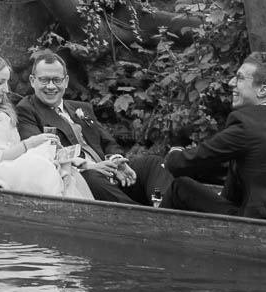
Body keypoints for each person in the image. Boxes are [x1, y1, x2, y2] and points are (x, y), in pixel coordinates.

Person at [159, 51, 266, 218]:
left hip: (264, 226)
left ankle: (153, 242)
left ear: (262, 90)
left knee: (180, 188)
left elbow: (181, 164)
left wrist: (175, 151)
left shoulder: (248, 125)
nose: (231, 82)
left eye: (240, 78)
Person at [14, 50, 169, 205]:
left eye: (56, 80)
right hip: (80, 179)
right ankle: (145, 219)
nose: (50, 86)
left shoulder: (81, 108)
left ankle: (164, 209)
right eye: (44, 80)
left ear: (66, 81)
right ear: (32, 81)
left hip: (109, 174)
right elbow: (41, 153)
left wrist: (117, 161)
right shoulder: (27, 110)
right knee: (90, 177)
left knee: (152, 163)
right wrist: (92, 167)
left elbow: (107, 142)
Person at [0, 54, 90, 199]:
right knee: (40, 167)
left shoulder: (3, 115)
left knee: (66, 169)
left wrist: (44, 147)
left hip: (11, 168)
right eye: (0, 83)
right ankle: (57, 211)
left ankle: (84, 214)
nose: (6, 89)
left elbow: (16, 151)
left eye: (7, 83)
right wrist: (28, 144)